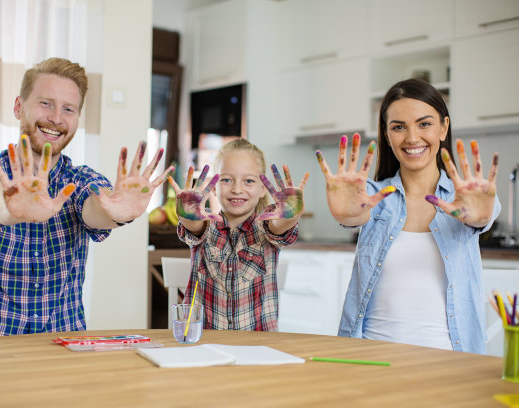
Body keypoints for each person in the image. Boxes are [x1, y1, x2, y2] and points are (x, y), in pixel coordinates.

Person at [0, 57, 172, 341]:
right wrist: (10, 207)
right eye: (46, 103)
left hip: (62, 345)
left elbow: (94, 208)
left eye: (68, 109)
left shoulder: (80, 180)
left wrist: (117, 212)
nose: (56, 118)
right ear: (19, 107)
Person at [315, 78, 500, 354]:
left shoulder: (465, 199)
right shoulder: (373, 196)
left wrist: (481, 216)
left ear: (443, 128)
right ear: (388, 136)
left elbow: (482, 215)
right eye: (399, 127)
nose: (412, 138)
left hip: (450, 361)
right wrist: (348, 214)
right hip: (371, 357)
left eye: (424, 123)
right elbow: (354, 215)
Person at [167, 139, 309, 330]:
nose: (237, 189)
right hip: (203, 346)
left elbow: (279, 227)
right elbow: (194, 227)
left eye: (249, 181)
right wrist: (187, 216)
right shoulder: (206, 225)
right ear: (214, 187)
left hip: (258, 348)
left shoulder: (267, 226)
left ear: (262, 189)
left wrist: (290, 217)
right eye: (226, 180)